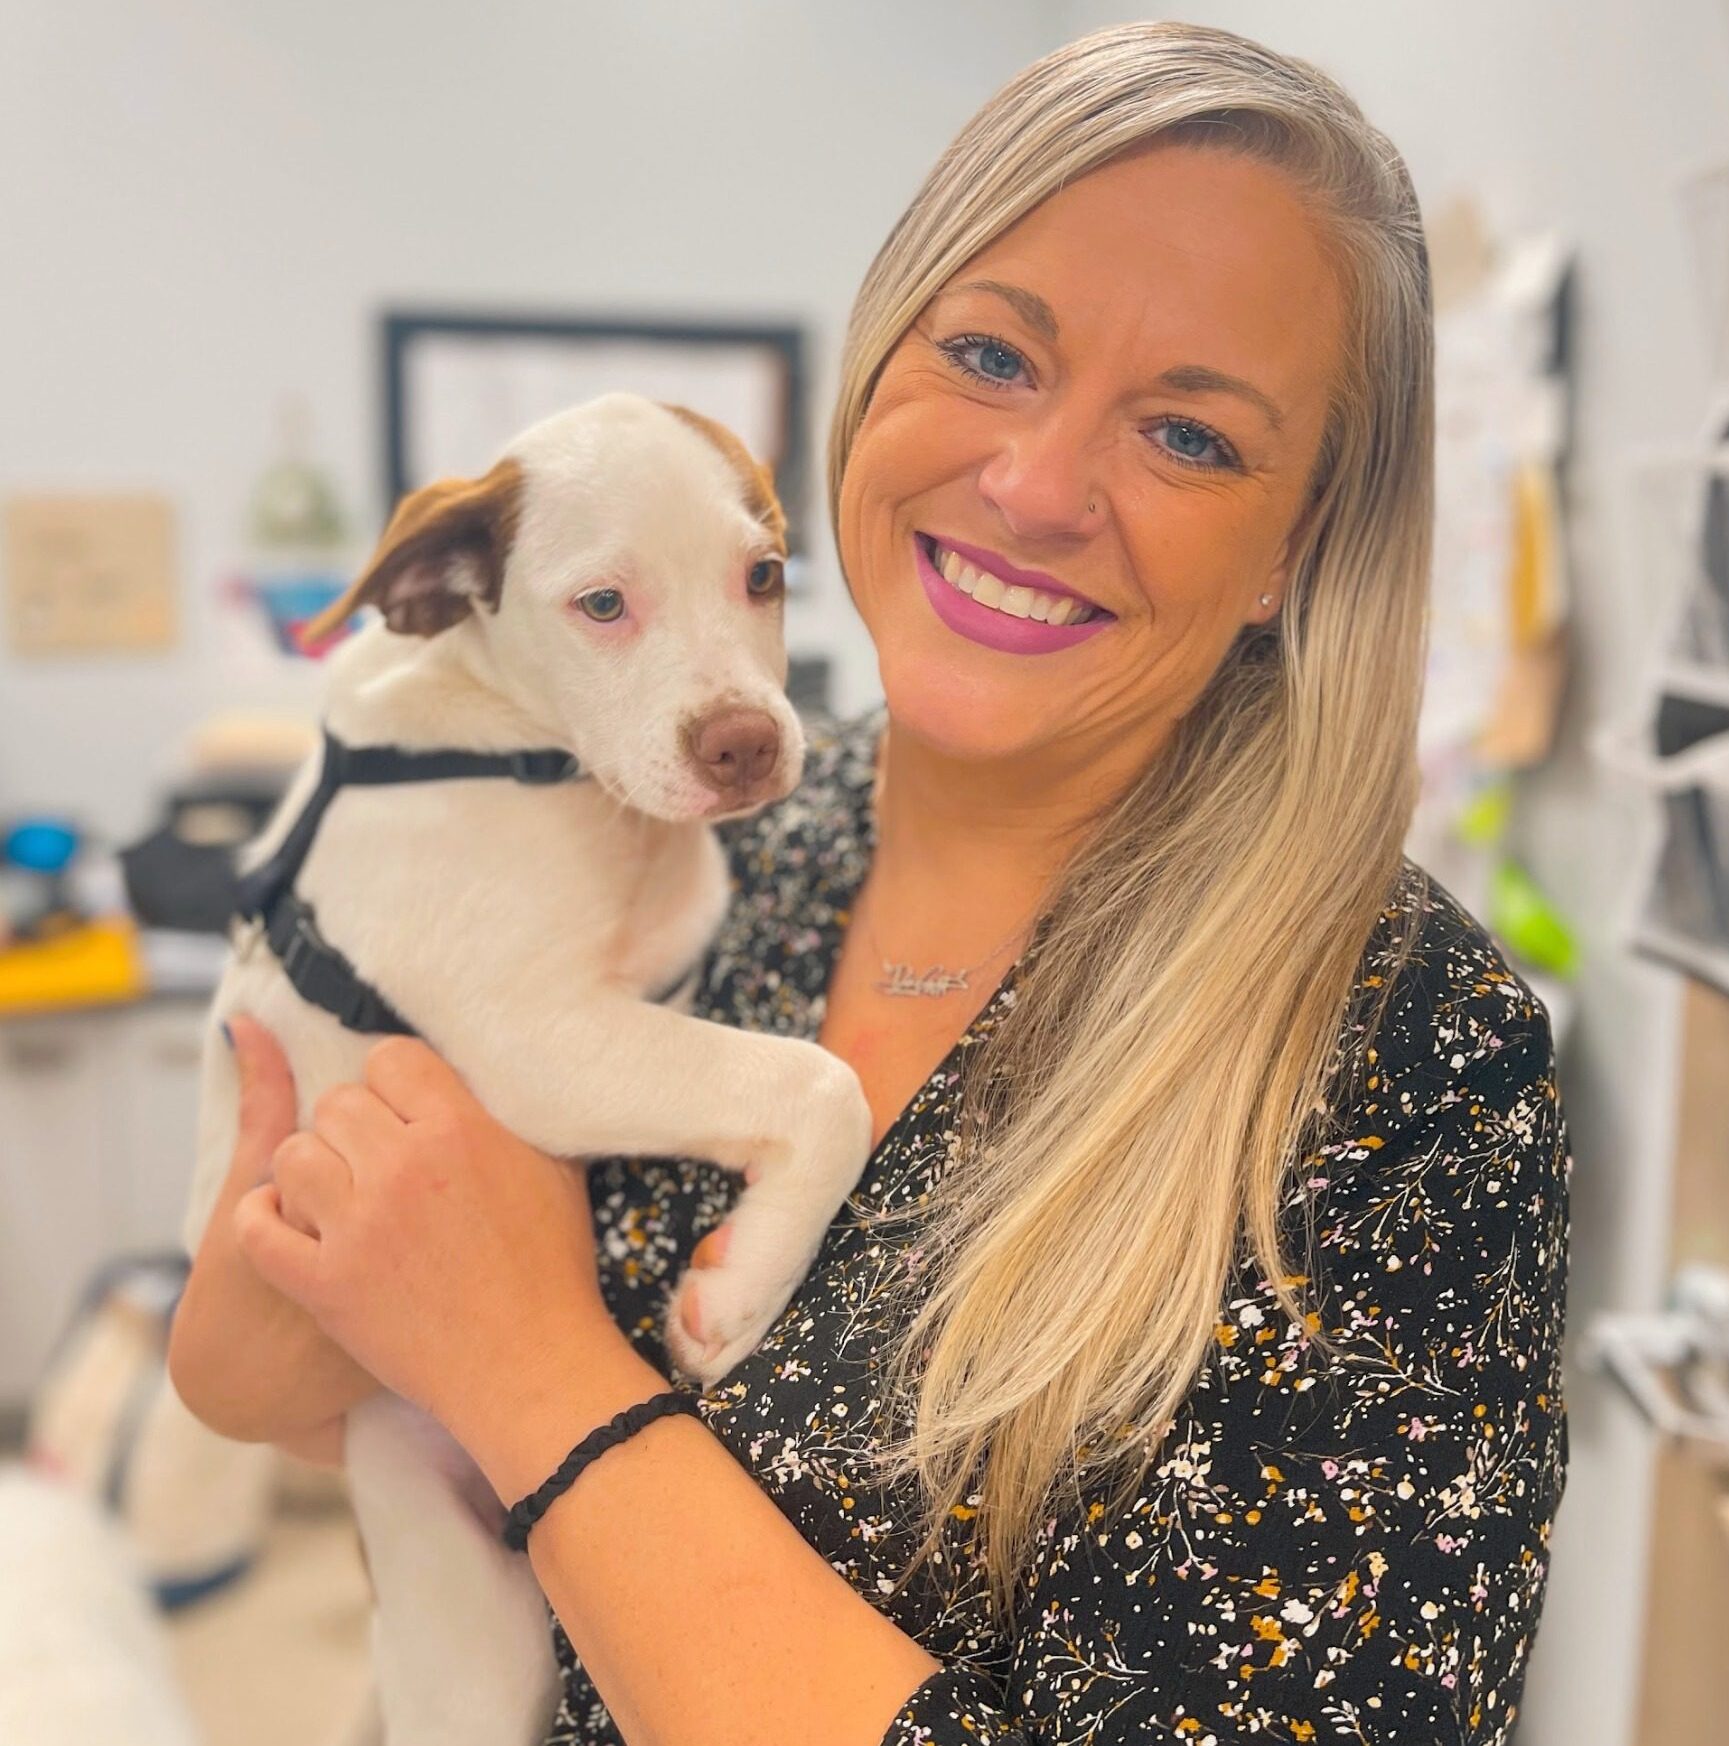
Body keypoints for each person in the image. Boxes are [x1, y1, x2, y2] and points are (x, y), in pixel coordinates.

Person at [168, 21, 1570, 1745]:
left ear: (1296, 546)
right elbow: (254, 1367)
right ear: (876, 352)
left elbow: (456, 1328)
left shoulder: (1408, 1062)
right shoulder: (705, 830)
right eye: (988, 352)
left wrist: (534, 1371)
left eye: (1188, 438)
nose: (1035, 489)